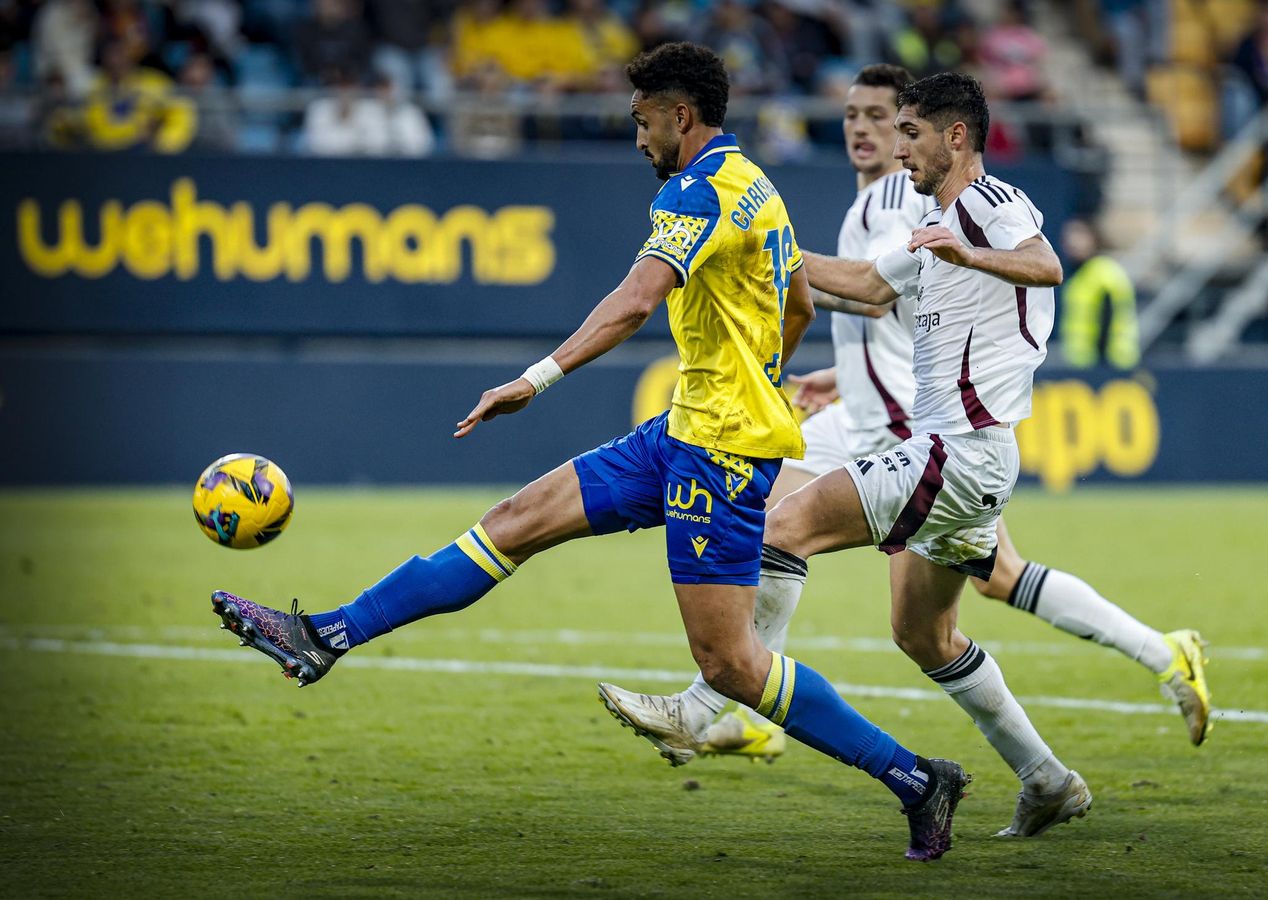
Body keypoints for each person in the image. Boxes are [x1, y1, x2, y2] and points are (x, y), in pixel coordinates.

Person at [210, 42, 971, 863]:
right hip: (685, 431)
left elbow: (637, 300)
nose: (637, 137)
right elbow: (795, 302)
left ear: (681, 117)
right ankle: (325, 636)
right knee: (516, 519)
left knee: (731, 665)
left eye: (642, 120)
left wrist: (533, 379)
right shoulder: (759, 185)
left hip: (719, 454)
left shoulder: (698, 190)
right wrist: (761, 374)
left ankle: (917, 777)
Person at [604, 71, 1209, 839]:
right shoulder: (929, 222)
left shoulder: (988, 206)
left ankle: (710, 705)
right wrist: (765, 247)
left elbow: (1047, 264)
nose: (899, 147)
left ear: (956, 137)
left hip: (952, 453)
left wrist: (969, 253)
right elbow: (859, 283)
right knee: (923, 635)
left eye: (911, 132)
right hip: (967, 459)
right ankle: (1048, 780)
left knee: (784, 527)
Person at [1059, 218, 1139, 369]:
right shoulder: (1079, 275)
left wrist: (1102, 363)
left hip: (1109, 363)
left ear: (1093, 238)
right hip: (1081, 362)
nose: (1072, 243)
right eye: (1067, 239)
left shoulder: (1103, 272)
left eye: (1078, 236)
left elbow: (1107, 317)